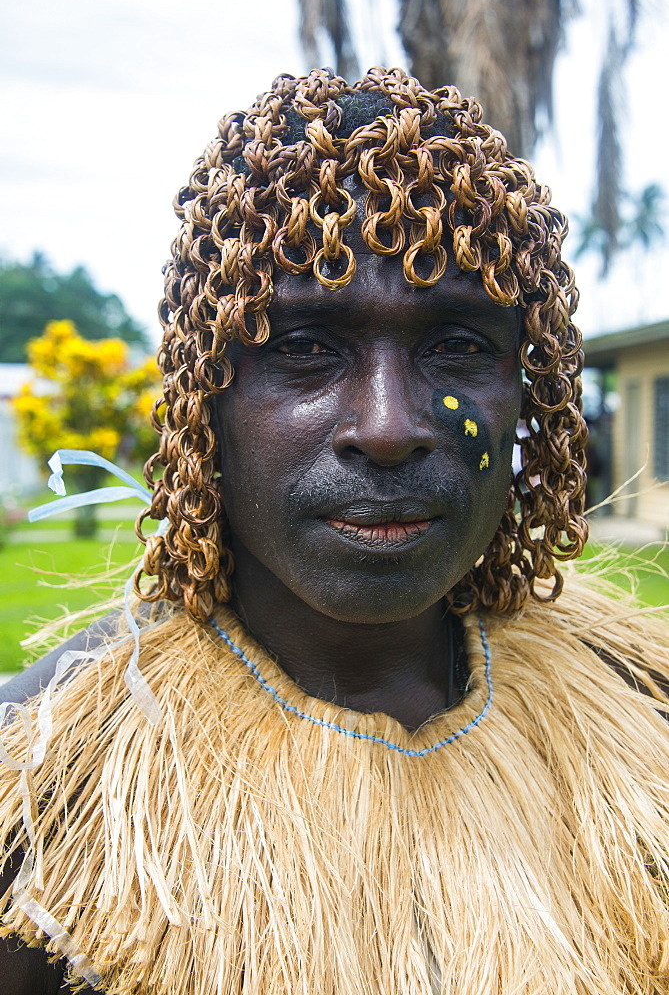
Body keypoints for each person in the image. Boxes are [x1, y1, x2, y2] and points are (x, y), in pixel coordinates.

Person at [1, 67, 668, 995]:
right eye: (305, 348)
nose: (390, 426)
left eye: (457, 345)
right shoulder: (45, 780)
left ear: (530, 399)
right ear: (205, 404)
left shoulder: (641, 724)